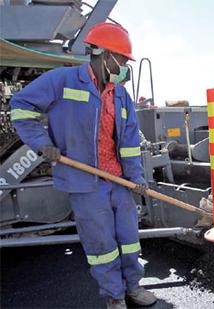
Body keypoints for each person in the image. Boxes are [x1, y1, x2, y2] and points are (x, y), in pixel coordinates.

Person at [10, 23, 156, 309]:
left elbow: (128, 144)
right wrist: (41, 143)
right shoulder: (62, 80)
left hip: (119, 183)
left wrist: (136, 178)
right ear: (104, 54)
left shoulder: (121, 96)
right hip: (85, 183)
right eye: (123, 59)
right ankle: (114, 296)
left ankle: (133, 287)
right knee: (102, 245)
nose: (125, 66)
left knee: (128, 240)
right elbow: (21, 106)